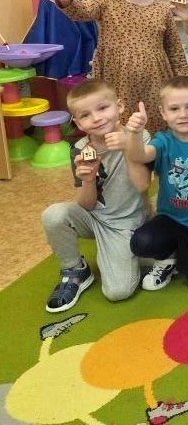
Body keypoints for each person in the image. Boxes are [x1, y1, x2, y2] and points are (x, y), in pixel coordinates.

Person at [55, 0, 188, 133]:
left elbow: (174, 49)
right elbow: (81, 11)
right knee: (119, 125)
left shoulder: (162, 9)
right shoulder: (105, 3)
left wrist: (183, 82)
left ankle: (153, 150)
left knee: (156, 124)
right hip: (116, 79)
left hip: (156, 81)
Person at [41, 81, 150, 312]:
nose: (97, 118)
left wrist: (129, 146)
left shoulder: (139, 137)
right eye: (86, 115)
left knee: (118, 292)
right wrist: (88, 179)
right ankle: (75, 270)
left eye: (102, 108)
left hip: (125, 224)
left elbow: (142, 185)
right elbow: (86, 204)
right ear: (78, 123)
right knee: (53, 215)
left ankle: (137, 254)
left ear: (119, 106)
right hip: (94, 218)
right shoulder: (80, 148)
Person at [124, 76, 188, 292]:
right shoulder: (163, 140)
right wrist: (134, 133)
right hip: (171, 219)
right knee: (142, 242)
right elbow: (139, 155)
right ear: (163, 113)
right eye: (174, 109)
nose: (183, 114)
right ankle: (168, 257)